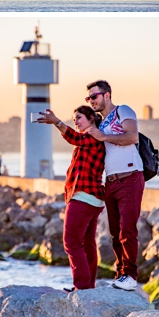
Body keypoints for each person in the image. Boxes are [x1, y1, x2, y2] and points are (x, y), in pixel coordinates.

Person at [84, 80, 144, 292]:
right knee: (114, 232)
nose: (91, 101)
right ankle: (120, 273)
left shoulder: (123, 110)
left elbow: (132, 136)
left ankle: (130, 275)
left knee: (128, 230)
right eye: (88, 98)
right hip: (110, 182)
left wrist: (103, 136)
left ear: (106, 95)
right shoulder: (99, 122)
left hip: (130, 177)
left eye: (94, 96)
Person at [38, 106, 105, 292]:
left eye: (79, 117)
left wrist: (57, 122)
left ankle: (81, 286)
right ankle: (88, 285)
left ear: (91, 118)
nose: (76, 122)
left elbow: (73, 137)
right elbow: (77, 139)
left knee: (71, 242)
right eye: (74, 119)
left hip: (83, 196)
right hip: (94, 198)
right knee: (88, 243)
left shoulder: (92, 135)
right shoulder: (91, 138)